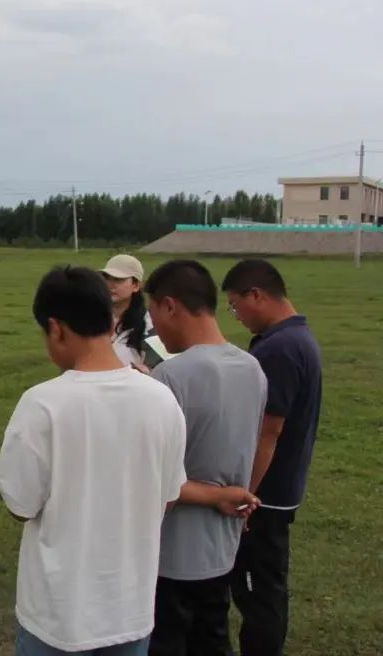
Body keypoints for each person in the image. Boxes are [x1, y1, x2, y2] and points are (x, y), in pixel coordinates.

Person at [0, 266, 188, 656]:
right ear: (109, 319)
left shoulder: (42, 404)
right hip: (131, 610)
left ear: (56, 329)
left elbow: (20, 505)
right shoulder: (162, 399)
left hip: (57, 616)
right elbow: (169, 497)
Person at [143, 260, 267, 656]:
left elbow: (157, 481)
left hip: (171, 555)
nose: (154, 328)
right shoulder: (253, 369)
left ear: (170, 306)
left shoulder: (171, 377)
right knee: (212, 638)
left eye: (153, 315)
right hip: (222, 550)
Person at [222, 259, 323, 656]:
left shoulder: (280, 349)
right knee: (267, 588)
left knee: (258, 593)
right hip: (282, 488)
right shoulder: (296, 337)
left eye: (236, 306)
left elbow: (269, 430)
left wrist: (246, 495)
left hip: (266, 496)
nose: (238, 316)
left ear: (256, 295)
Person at [100, 254, 155, 369]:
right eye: (107, 278)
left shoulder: (149, 326)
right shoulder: (92, 320)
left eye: (118, 279)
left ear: (136, 285)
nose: (110, 285)